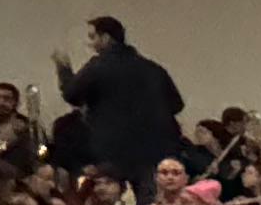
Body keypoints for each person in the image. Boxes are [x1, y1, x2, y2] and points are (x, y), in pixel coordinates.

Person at [51, 13, 183, 189]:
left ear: (106, 38)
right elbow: (176, 105)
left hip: (115, 150)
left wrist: (63, 69)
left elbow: (72, 95)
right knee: (150, 198)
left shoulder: (99, 66)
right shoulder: (152, 68)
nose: (90, 44)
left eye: (93, 37)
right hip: (157, 149)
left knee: (116, 197)